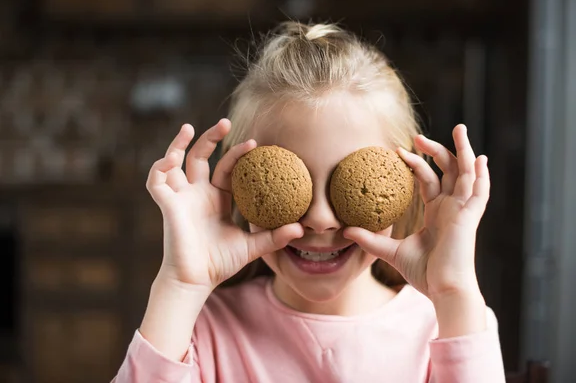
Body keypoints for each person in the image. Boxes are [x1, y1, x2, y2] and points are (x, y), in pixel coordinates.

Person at [112, 22, 505, 382]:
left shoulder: (452, 324)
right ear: (239, 184)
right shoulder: (195, 330)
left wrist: (453, 293)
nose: (319, 220)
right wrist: (180, 285)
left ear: (407, 185)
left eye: (346, 186)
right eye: (290, 189)